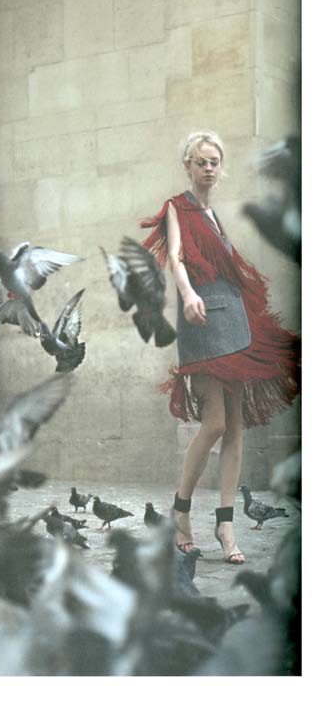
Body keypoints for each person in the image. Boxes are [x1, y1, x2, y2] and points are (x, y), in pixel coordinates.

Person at [141, 130, 299, 564]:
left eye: (214, 162)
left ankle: (226, 524)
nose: (208, 168)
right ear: (188, 166)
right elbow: (175, 257)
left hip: (234, 324)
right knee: (213, 424)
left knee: (236, 427)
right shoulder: (178, 207)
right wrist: (188, 293)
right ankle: (181, 510)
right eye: (201, 162)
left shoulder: (213, 216)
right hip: (202, 325)